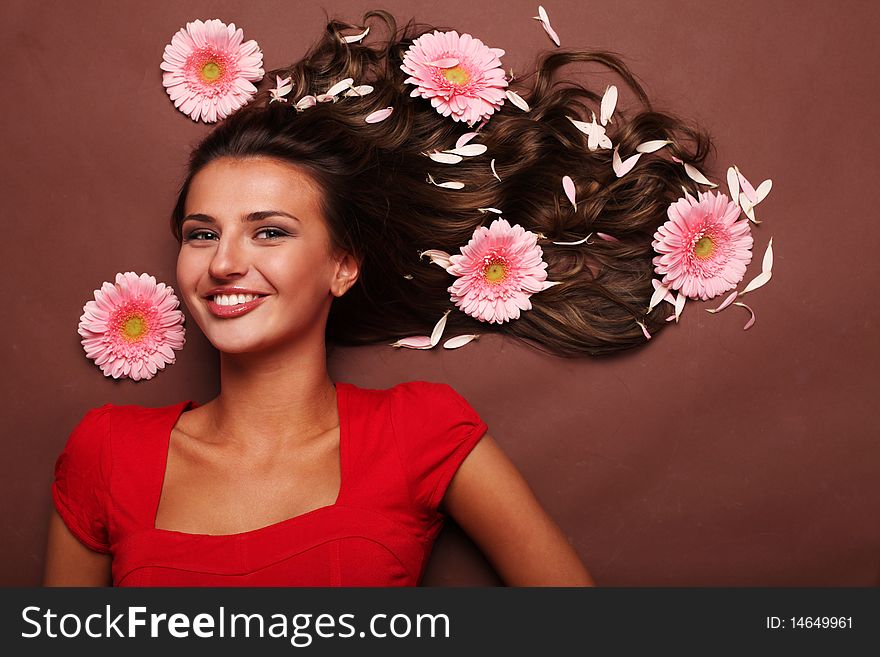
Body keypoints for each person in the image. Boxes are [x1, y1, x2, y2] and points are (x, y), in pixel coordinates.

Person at [44, 9, 710, 586]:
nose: (223, 262)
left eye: (269, 231)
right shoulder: (106, 451)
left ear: (342, 266)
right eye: (202, 234)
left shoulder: (417, 431)